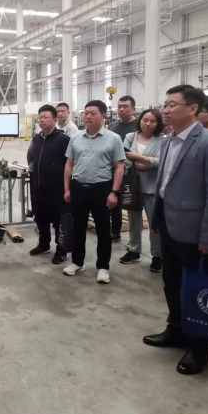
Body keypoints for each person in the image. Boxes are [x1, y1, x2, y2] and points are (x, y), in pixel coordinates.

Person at [143, 85, 208, 376]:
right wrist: (158, 221)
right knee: (172, 283)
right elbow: (164, 186)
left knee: (200, 290)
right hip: (170, 227)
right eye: (165, 104)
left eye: (172, 105)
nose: (166, 110)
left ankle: (199, 348)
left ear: (193, 109)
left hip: (196, 232)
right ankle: (177, 330)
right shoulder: (169, 140)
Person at [62, 100, 125, 284]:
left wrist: (114, 192)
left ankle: (103, 267)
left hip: (102, 189)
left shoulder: (113, 138)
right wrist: (67, 188)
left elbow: (119, 167)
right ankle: (77, 262)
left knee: (103, 230)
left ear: (103, 116)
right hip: (78, 188)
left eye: (93, 113)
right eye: (86, 113)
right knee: (78, 228)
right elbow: (69, 165)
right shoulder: (76, 138)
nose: (88, 116)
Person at [119, 109, 165, 272]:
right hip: (133, 185)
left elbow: (162, 162)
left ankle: (157, 255)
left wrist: (138, 157)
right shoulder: (130, 137)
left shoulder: (163, 140)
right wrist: (147, 162)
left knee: (155, 223)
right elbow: (123, 156)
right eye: (145, 120)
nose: (148, 123)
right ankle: (134, 250)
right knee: (133, 220)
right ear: (140, 120)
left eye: (152, 121)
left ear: (158, 123)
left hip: (153, 188)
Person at [27, 105, 72, 263]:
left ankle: (62, 249)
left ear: (55, 120)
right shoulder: (37, 139)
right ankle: (44, 243)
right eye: (40, 117)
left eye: (46, 117)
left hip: (57, 188)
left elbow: (69, 164)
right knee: (40, 217)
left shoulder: (64, 140)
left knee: (59, 220)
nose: (42, 120)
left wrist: (67, 187)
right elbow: (31, 158)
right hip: (38, 186)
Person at [108, 96, 138, 242]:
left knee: (132, 204)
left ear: (133, 109)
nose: (121, 109)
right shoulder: (112, 126)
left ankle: (135, 240)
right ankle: (115, 231)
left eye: (125, 106)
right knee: (114, 200)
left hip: (134, 171)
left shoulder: (140, 125)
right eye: (119, 106)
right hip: (114, 169)